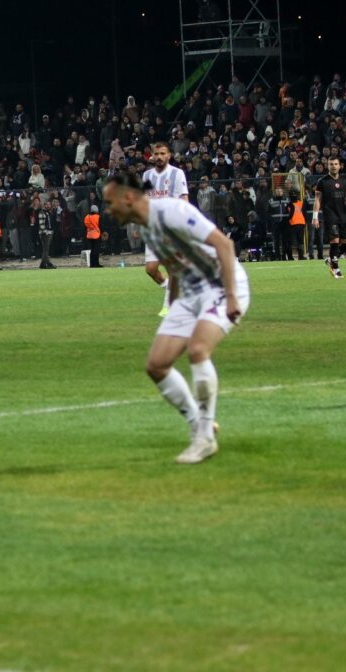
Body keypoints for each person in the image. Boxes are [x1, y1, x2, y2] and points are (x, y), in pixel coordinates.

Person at [103, 171, 249, 465]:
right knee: (157, 365)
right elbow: (175, 268)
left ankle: (205, 439)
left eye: (110, 202)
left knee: (198, 350)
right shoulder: (147, 229)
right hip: (189, 294)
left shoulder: (173, 211)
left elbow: (224, 245)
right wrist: (172, 308)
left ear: (128, 197)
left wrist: (232, 296)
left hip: (221, 286)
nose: (108, 209)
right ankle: (198, 423)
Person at [142, 141, 189, 316]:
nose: (159, 157)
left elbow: (183, 198)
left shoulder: (177, 173)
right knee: (151, 269)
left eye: (163, 154)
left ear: (169, 155)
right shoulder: (147, 175)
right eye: (156, 154)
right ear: (152, 156)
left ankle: (168, 307)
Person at [312, 157, 346, 278]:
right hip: (330, 215)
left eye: (336, 164)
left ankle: (331, 259)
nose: (334, 166)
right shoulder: (322, 181)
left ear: (340, 166)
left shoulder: (344, 181)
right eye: (331, 164)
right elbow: (317, 199)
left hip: (343, 215)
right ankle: (335, 268)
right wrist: (315, 217)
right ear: (328, 166)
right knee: (335, 241)